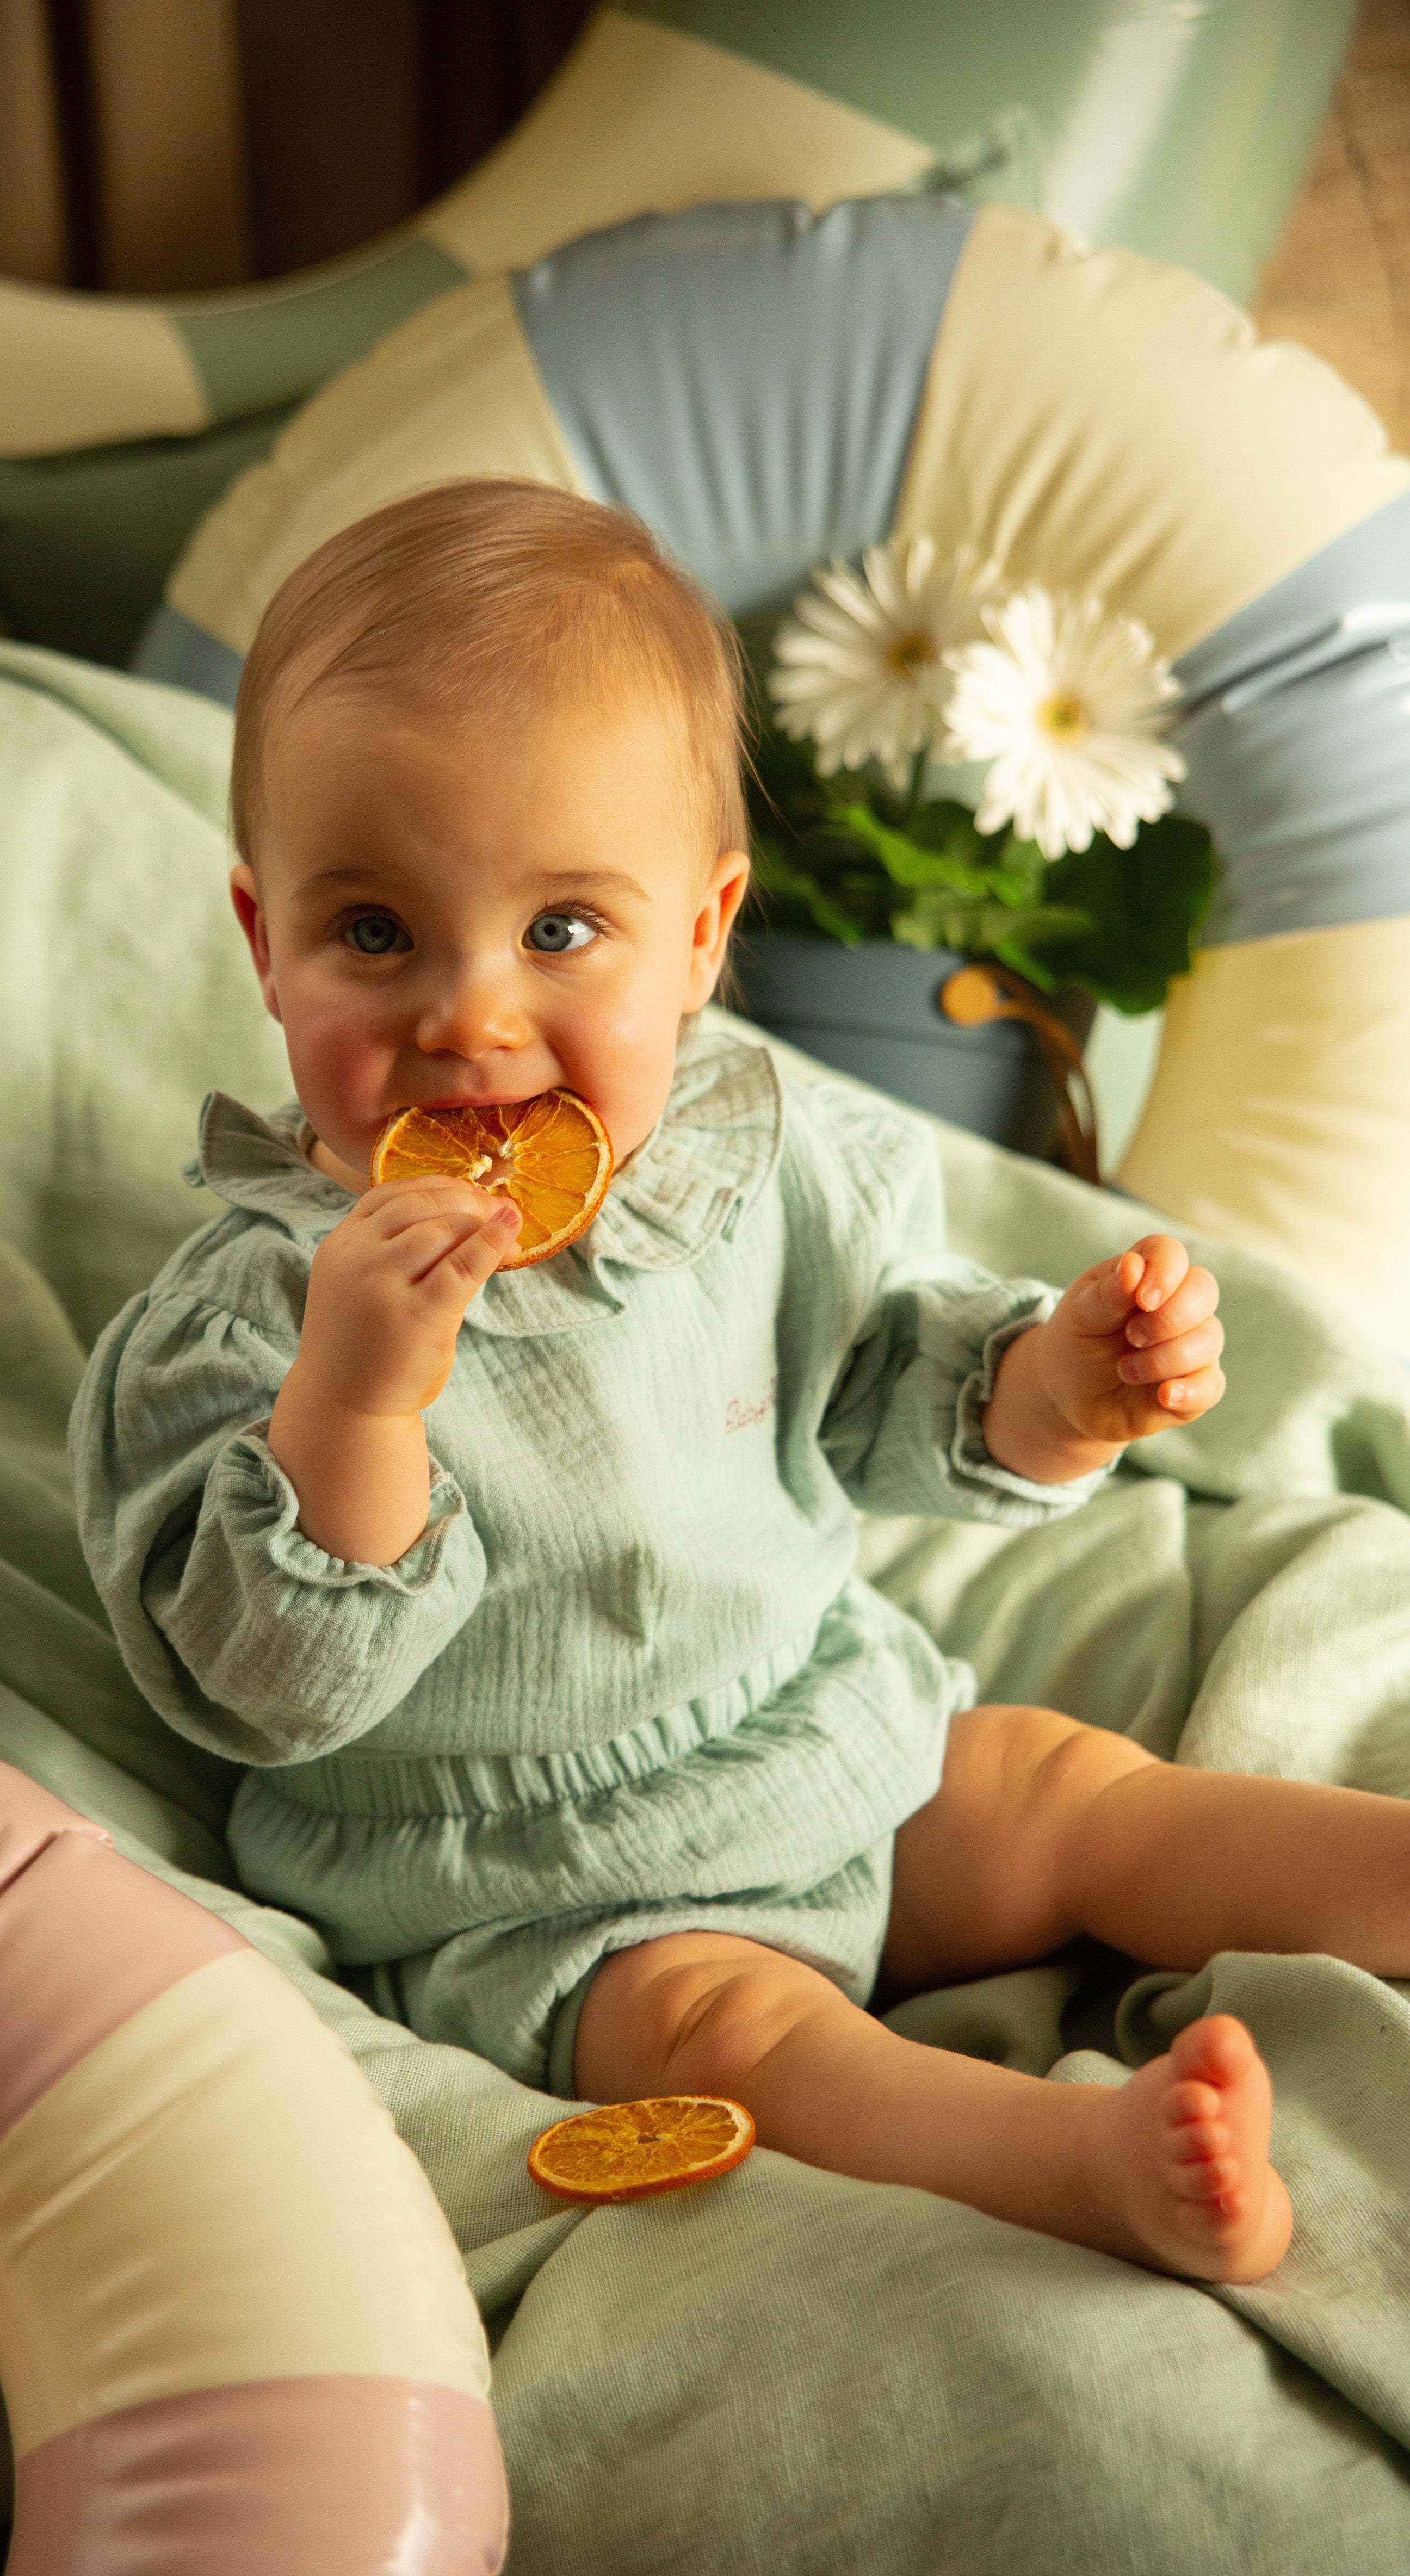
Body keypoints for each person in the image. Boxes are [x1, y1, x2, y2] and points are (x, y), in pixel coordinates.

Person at [72, 478, 1406, 2283]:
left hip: (819, 1723)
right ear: (263, 937)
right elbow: (264, 1687)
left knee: (1073, 1790)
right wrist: (358, 1402)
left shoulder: (751, 1167)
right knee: (749, 2043)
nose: (469, 1020)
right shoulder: (248, 1319)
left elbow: (877, 1394)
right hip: (544, 1886)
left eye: (561, 932)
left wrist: (1054, 1388)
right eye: (376, 932)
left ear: (702, 937)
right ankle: (1085, 2161)